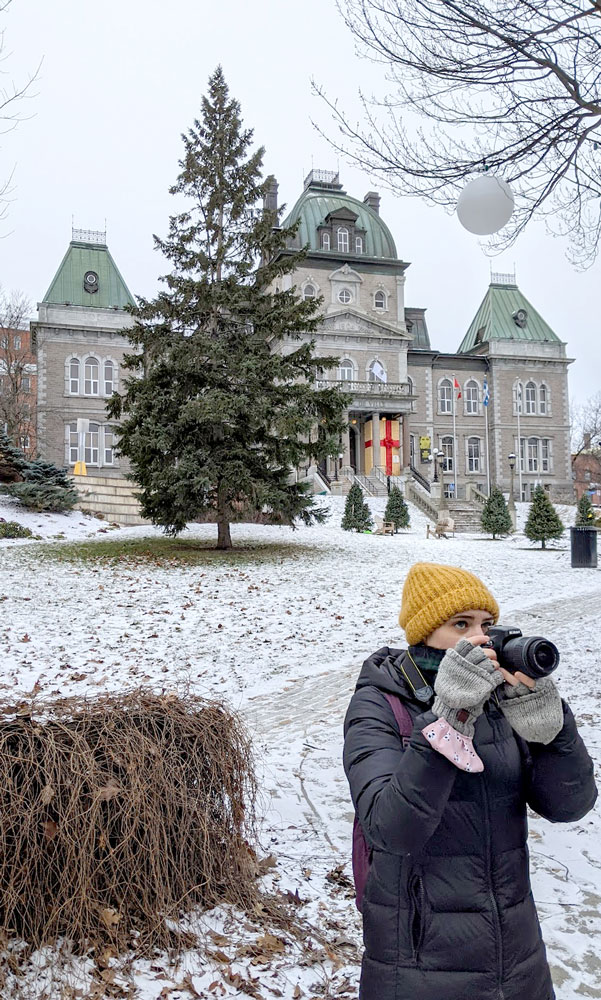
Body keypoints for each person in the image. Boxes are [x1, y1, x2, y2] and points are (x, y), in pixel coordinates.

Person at [343, 562, 597, 1000]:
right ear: (424, 632)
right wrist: (449, 717)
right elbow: (391, 828)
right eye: (461, 624)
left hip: (516, 957)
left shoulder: (500, 702)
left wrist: (552, 730)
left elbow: (569, 804)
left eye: (487, 624)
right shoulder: (380, 704)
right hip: (419, 960)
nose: (480, 638)